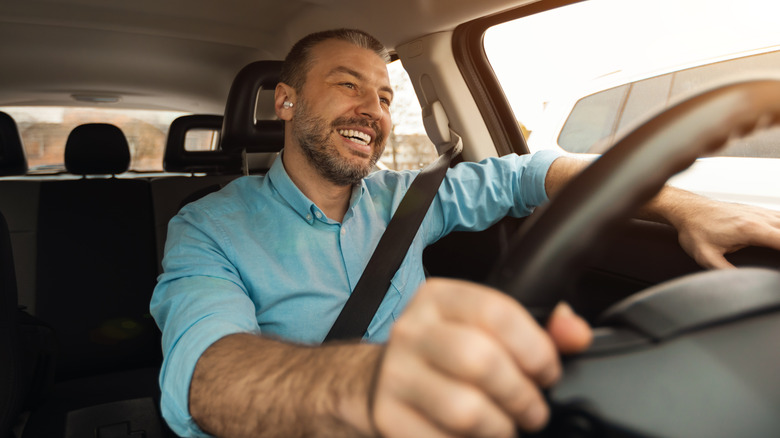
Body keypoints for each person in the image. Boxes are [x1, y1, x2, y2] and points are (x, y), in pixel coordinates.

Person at [151, 29, 780, 437]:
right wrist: (367, 385)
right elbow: (207, 373)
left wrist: (682, 206)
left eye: (385, 96)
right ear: (285, 102)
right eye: (348, 84)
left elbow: (532, 174)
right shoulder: (208, 226)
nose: (373, 110)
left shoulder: (410, 199)